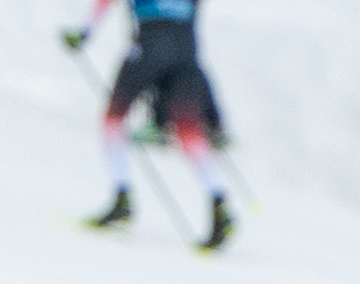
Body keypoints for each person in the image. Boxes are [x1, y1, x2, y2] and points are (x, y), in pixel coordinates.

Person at [67, 0, 235, 252]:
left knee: (113, 120)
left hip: (150, 46)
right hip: (185, 54)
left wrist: (84, 32)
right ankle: (219, 203)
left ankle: (121, 198)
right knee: (189, 132)